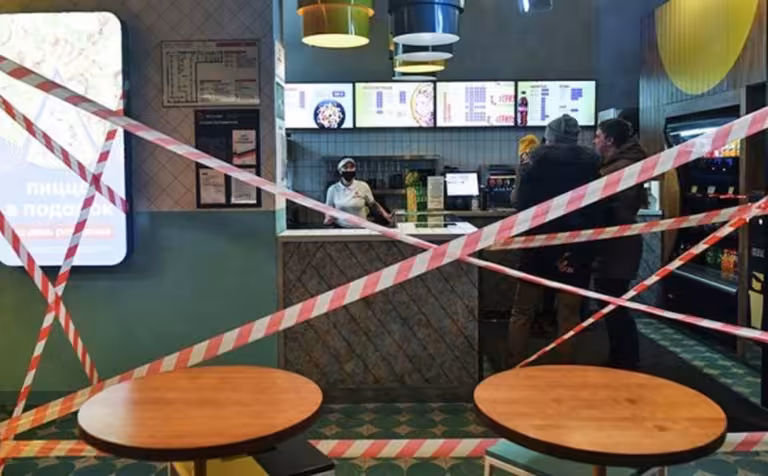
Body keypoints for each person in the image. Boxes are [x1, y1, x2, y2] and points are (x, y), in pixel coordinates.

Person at [507, 114, 604, 367]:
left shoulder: (533, 162)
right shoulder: (592, 165)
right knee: (568, 314)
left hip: (536, 243)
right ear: (576, 138)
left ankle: (514, 367)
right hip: (575, 246)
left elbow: (519, 202)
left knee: (523, 311)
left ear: (548, 138)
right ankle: (565, 371)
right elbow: (598, 208)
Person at [593, 118, 647, 370]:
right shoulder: (624, 164)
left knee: (613, 303)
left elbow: (612, 209)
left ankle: (625, 360)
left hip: (617, 244)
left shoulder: (618, 169)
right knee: (612, 302)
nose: (594, 141)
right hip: (618, 243)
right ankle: (621, 358)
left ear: (610, 140)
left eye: (598, 136)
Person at [324, 157, 393, 228]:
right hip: (341, 228)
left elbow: (373, 204)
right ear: (340, 171)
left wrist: (386, 215)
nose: (349, 170)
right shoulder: (333, 189)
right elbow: (328, 209)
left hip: (361, 228)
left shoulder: (363, 186)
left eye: (352, 167)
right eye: (346, 167)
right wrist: (328, 218)